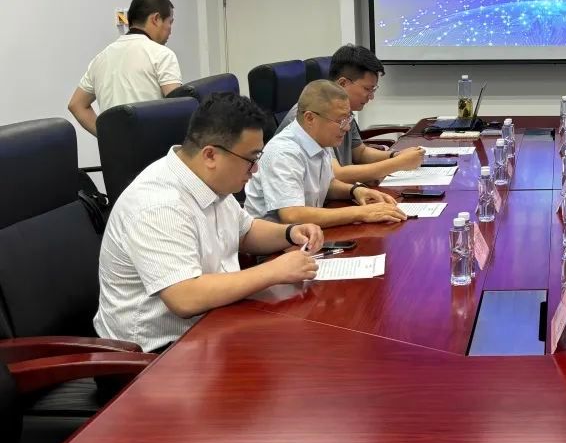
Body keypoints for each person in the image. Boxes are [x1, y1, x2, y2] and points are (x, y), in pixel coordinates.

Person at [94, 93, 325, 353]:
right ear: (210, 155)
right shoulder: (158, 204)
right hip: (155, 354)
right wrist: (273, 271)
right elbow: (185, 297)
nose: (255, 170)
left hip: (212, 323)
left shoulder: (210, 180)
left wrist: (290, 233)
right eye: (251, 159)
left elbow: (245, 231)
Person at [245, 80, 406, 228]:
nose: (346, 128)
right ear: (310, 118)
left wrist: (356, 190)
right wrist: (361, 213)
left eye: (348, 119)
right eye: (340, 121)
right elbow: (292, 215)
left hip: (305, 234)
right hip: (274, 245)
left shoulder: (320, 138)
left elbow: (324, 185)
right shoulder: (283, 152)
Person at [276, 44, 423, 184]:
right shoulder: (312, 118)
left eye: (373, 90)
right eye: (367, 89)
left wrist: (396, 155)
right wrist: (398, 163)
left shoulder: (344, 112)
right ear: (343, 83)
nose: (371, 96)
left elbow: (360, 153)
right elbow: (335, 175)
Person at [68, 0, 182, 136]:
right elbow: (178, 109)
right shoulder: (162, 54)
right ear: (156, 19)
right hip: (155, 147)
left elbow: (76, 105)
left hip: (115, 149)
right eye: (170, 22)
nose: (170, 30)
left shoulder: (101, 58)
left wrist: (107, 137)